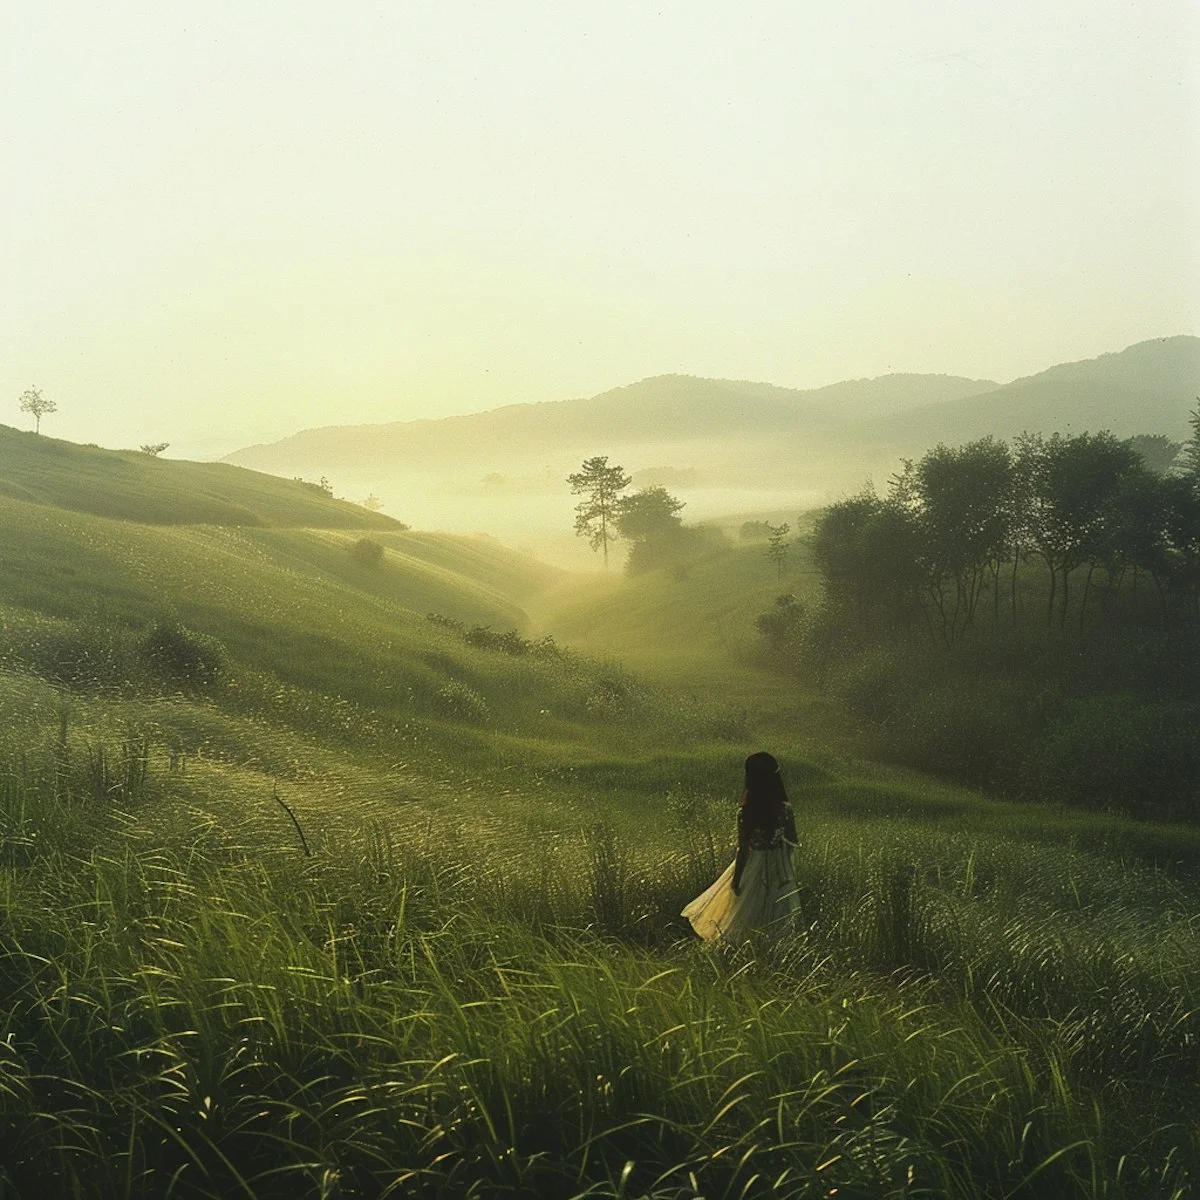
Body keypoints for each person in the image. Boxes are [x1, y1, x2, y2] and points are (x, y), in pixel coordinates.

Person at [682, 751, 800, 941]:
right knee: (777, 913)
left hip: (753, 865)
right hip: (779, 868)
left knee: (746, 912)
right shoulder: (784, 810)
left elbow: (743, 848)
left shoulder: (747, 811)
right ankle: (773, 951)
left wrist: (736, 879)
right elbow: (793, 840)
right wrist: (787, 865)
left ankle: (746, 950)